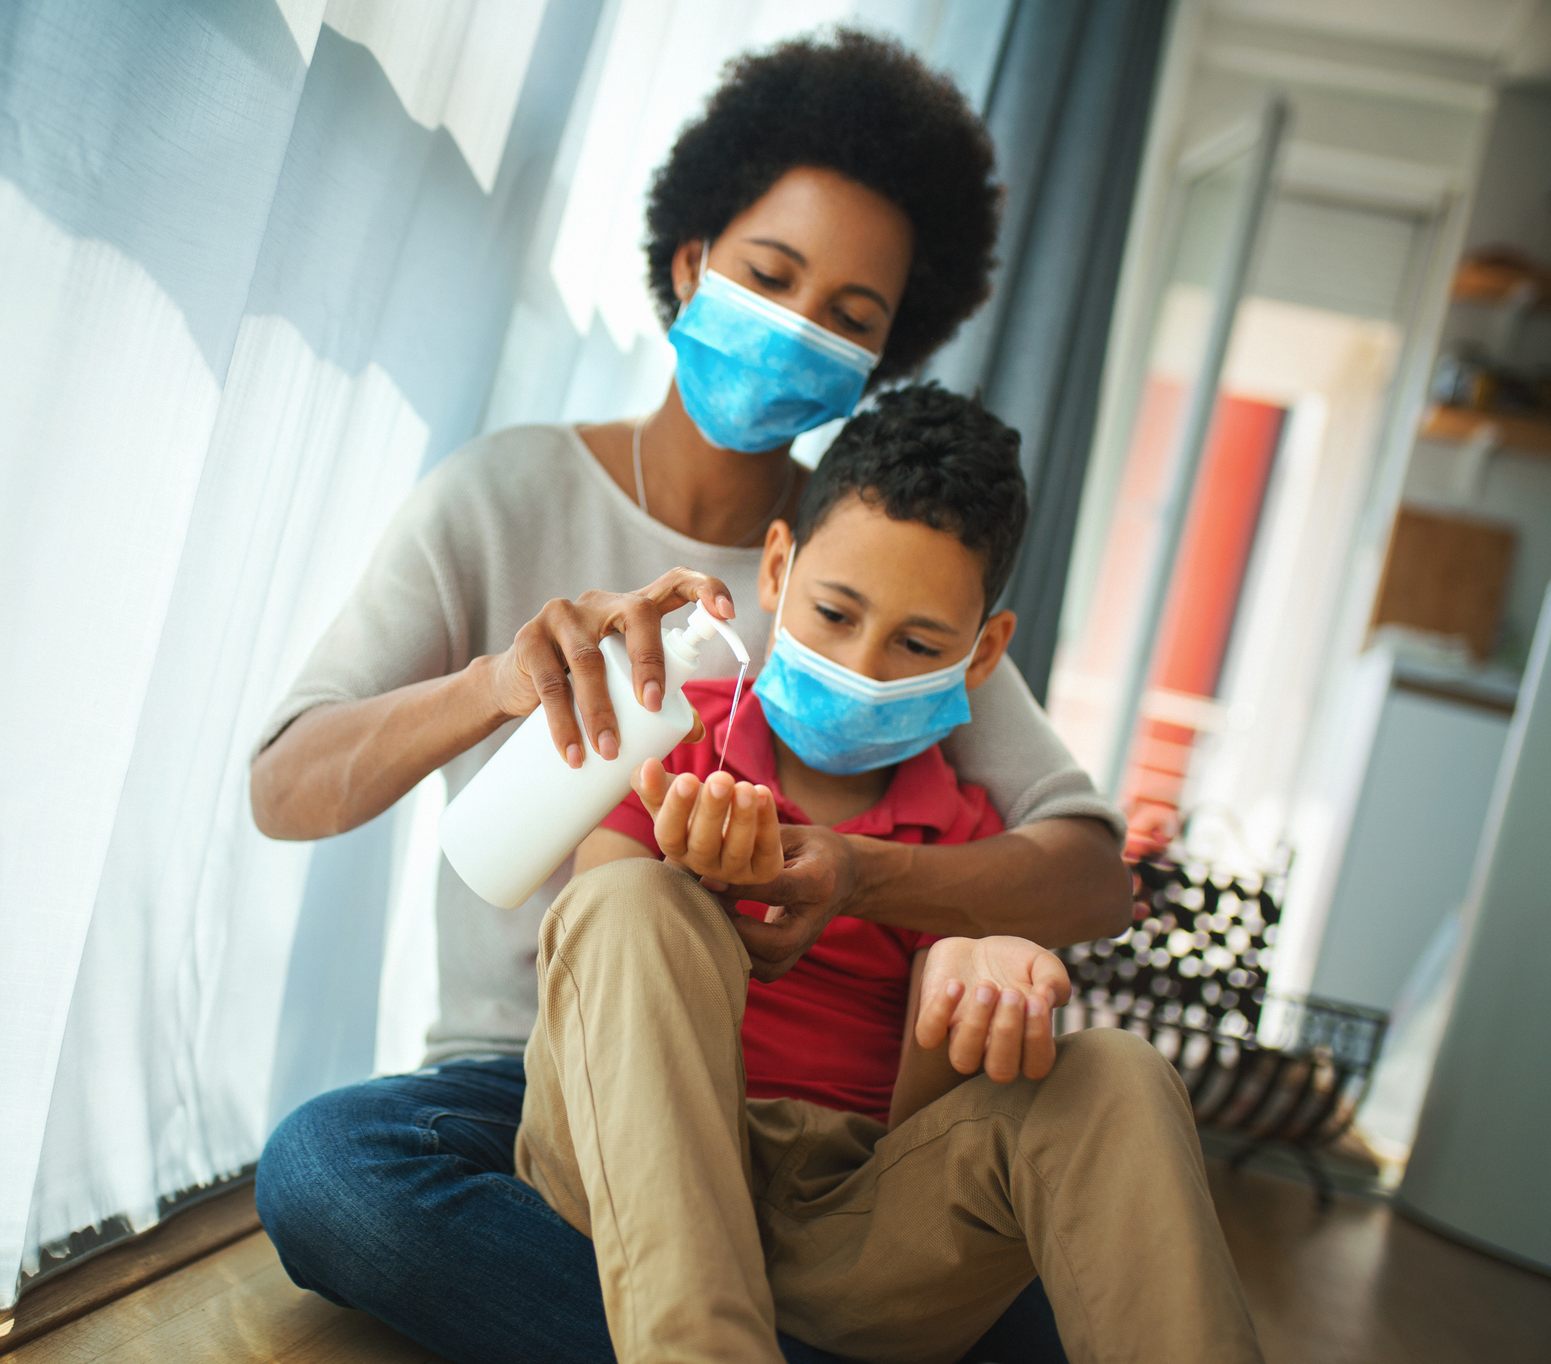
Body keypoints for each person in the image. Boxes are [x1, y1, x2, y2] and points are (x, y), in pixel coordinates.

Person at [250, 29, 1133, 1364]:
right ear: (689, 264)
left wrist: (850, 873)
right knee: (331, 1176)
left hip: (826, 1117)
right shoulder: (505, 498)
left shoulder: (863, 582)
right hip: (529, 1082)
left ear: (882, 357)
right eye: (770, 276)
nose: (794, 326)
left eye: (847, 315)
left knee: (1051, 1268)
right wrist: (498, 684)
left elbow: (1085, 880)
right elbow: (285, 785)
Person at [516, 385, 1262, 1364]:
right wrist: (685, 874)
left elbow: (927, 1136)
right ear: (776, 567)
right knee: (628, 898)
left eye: (915, 645)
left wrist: (969, 1008)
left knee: (1117, 1073)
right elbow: (585, 977)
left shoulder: (965, 842)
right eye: (833, 613)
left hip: (848, 1223)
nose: (862, 665)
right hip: (633, 1159)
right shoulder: (672, 737)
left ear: (982, 652)